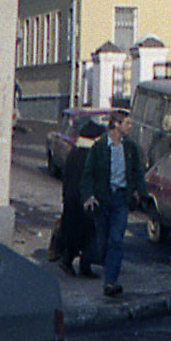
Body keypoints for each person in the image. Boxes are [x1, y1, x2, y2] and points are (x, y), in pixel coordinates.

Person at [81, 112, 148, 298]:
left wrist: (139, 193)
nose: (130, 127)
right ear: (116, 124)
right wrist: (88, 196)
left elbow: (138, 173)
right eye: (127, 123)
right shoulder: (100, 147)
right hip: (103, 200)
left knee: (116, 240)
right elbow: (88, 174)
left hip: (121, 200)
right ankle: (102, 262)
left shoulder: (130, 148)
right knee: (103, 241)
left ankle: (110, 281)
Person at [58, 119, 104, 278]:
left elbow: (67, 178)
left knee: (77, 233)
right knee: (86, 234)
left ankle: (79, 264)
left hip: (72, 200)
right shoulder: (92, 156)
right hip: (85, 201)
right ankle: (72, 262)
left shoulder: (74, 153)